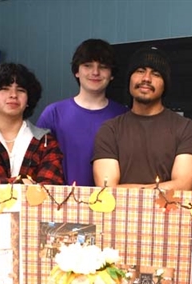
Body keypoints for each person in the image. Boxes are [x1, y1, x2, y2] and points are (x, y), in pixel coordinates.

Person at [92, 46, 192, 191]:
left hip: (169, 213)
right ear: (129, 79)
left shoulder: (185, 128)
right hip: (119, 214)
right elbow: (107, 190)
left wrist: (127, 191)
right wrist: (161, 189)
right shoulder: (110, 130)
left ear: (165, 85)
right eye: (140, 71)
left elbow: (182, 187)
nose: (146, 79)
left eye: (156, 74)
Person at [36, 39, 127, 186]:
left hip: (111, 201)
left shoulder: (124, 115)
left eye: (103, 67)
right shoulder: (53, 114)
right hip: (61, 202)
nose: (95, 72)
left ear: (112, 74)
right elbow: (38, 162)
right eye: (87, 65)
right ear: (77, 71)